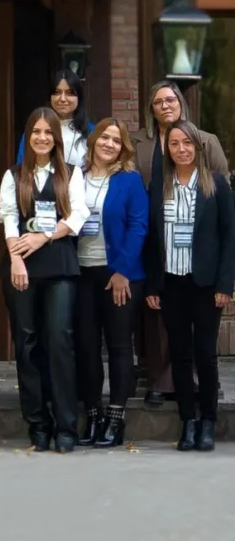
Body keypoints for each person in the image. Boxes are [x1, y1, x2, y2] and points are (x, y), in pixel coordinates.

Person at [131, 81, 228, 406]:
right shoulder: (140, 144)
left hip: (199, 254)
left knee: (200, 342)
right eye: (158, 101)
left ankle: (201, 390)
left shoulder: (206, 141)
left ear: (181, 104)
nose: (165, 105)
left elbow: (221, 198)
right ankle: (161, 379)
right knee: (160, 323)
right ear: (151, 108)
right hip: (160, 241)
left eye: (170, 99)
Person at [0, 106, 89, 453]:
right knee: (27, 344)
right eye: (35, 132)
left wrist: (44, 237)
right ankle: (38, 423)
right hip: (22, 270)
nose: (41, 137)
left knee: (59, 342)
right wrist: (16, 259)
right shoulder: (13, 174)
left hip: (60, 266)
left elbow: (78, 214)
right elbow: (8, 218)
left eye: (47, 132)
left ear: (56, 138)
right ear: (28, 136)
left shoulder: (70, 173)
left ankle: (66, 426)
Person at [144, 120, 235, 452]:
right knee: (179, 355)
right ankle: (189, 421)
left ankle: (208, 420)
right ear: (167, 150)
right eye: (174, 144)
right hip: (171, 284)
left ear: (199, 147)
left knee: (205, 355)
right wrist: (153, 285)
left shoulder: (217, 186)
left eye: (187, 144)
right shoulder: (159, 186)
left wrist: (225, 283)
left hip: (206, 285)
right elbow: (152, 240)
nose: (181, 149)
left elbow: (229, 237)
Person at [74, 119, 147, 448]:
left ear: (123, 147)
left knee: (119, 346)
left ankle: (116, 416)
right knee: (87, 347)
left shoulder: (129, 180)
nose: (109, 144)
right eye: (104, 137)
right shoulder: (76, 176)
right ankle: (93, 414)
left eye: (116, 141)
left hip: (118, 273)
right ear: (93, 140)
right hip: (81, 273)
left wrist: (122, 272)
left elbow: (139, 226)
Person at [16, 70, 93, 168]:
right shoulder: (35, 132)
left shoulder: (92, 132)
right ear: (50, 97)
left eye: (69, 93)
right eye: (57, 92)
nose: (63, 99)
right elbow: (22, 169)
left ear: (79, 97)